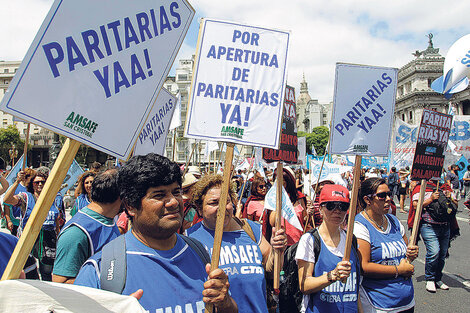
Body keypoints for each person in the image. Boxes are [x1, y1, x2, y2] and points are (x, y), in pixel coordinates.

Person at [74, 153, 237, 313]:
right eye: (159, 195)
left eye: (176, 192)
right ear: (130, 206)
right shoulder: (101, 271)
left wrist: (225, 303)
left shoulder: (200, 253)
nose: (173, 202)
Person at [186, 173, 286, 313]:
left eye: (226, 201)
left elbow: (271, 272)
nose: (222, 208)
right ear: (199, 209)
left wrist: (277, 250)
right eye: (214, 203)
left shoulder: (252, 230)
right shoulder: (191, 239)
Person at [354, 177, 418, 312]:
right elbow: (364, 266)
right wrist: (398, 270)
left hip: (406, 301)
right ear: (367, 200)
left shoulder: (393, 221)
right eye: (382, 196)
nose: (388, 198)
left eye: (389, 194)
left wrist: (411, 254)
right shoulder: (359, 226)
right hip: (379, 304)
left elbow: (406, 256)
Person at [296, 184, 361, 313]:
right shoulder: (310, 240)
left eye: (343, 207)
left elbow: (356, 288)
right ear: (320, 209)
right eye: (331, 206)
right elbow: (304, 285)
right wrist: (332, 275)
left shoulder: (351, 240)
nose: (337, 211)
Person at [52, 169, 121, 284]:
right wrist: (107, 281)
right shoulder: (76, 233)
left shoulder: (109, 220)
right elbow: (61, 283)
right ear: (121, 195)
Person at [3, 170, 62, 281]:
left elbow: (57, 221)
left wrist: (58, 235)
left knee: (47, 273)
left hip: (48, 241)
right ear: (32, 184)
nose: (40, 184)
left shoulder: (53, 198)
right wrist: (17, 182)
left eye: (43, 182)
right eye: (37, 182)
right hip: (28, 240)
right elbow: (8, 200)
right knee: (28, 272)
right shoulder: (25, 197)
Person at [409, 179, 459, 293]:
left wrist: (449, 197)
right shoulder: (421, 186)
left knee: (442, 254)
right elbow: (416, 206)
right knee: (434, 252)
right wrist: (431, 199)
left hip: (445, 226)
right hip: (429, 225)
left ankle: (438, 278)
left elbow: (456, 204)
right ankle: (430, 278)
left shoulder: (445, 187)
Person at [269, 167, 306, 245]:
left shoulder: (298, 198)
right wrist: (279, 201)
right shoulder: (272, 199)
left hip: (299, 243)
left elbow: (305, 220)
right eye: (277, 181)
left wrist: (309, 213)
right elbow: (272, 222)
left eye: (283, 181)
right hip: (281, 244)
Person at [3, 168, 34, 236]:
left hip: (28, 223)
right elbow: (6, 204)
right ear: (25, 177)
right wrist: (9, 221)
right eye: (31, 178)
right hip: (15, 223)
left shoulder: (32, 189)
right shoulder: (14, 188)